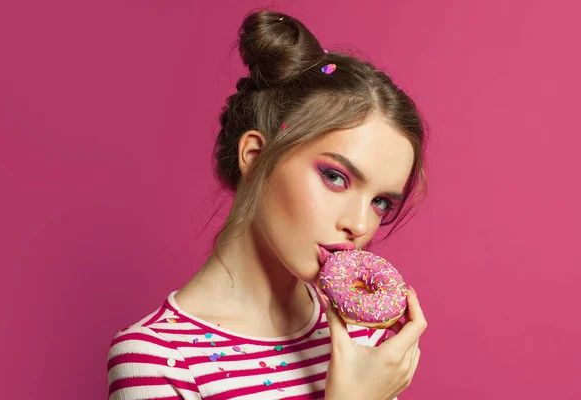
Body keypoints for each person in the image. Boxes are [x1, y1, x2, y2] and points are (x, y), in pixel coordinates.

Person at [107, 9, 428, 400]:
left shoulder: (363, 336)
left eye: (380, 202)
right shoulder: (157, 360)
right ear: (256, 156)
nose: (360, 224)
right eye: (335, 177)